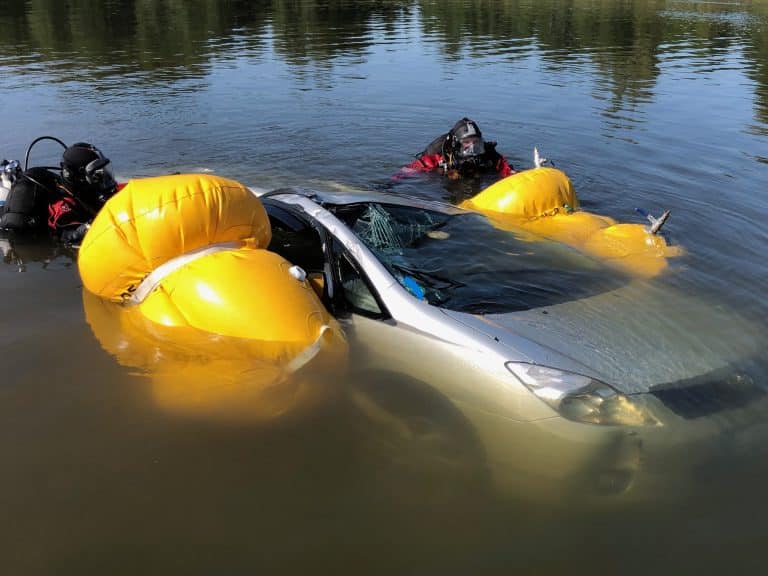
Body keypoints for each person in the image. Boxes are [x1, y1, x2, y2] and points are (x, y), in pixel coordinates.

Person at [0, 141, 118, 244]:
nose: (102, 179)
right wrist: (92, 226)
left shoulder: (85, 192)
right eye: (96, 176)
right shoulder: (63, 205)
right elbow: (67, 236)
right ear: (79, 176)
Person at [396, 117, 514, 181]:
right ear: (456, 144)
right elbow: (410, 169)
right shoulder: (441, 157)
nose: (472, 147)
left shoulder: (489, 156)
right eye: (467, 142)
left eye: (475, 142)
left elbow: (507, 170)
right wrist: (392, 183)